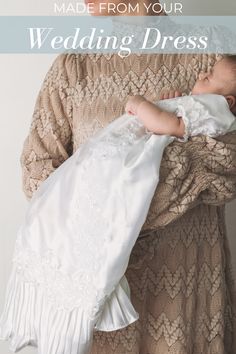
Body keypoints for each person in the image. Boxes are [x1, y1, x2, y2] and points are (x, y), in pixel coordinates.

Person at [1, 53, 236, 354]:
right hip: (92, 294)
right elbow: (38, 172)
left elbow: (225, 164)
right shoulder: (74, 68)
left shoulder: (208, 59)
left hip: (183, 288)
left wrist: (124, 203)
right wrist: (107, 215)